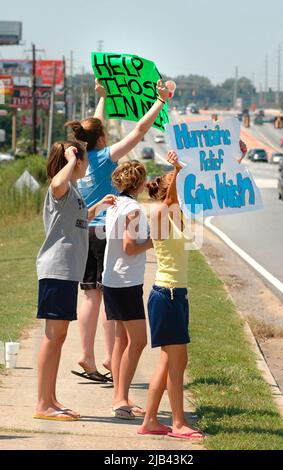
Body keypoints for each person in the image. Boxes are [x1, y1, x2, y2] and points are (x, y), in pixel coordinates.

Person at [139, 141, 247, 438]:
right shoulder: (160, 215)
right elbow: (174, 196)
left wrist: (236, 159)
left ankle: (150, 421)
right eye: (175, 184)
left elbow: (215, 189)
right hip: (167, 295)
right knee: (176, 364)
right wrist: (175, 168)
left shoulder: (178, 215)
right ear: (167, 191)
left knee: (172, 360)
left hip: (175, 295)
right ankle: (177, 423)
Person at [66, 78, 170, 383]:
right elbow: (138, 131)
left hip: (84, 229)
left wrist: (104, 96)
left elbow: (95, 126)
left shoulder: (82, 156)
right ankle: (112, 359)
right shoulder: (103, 156)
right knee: (108, 296)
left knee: (89, 296)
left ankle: (88, 354)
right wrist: (160, 102)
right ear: (102, 139)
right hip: (104, 233)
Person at [35, 141, 116, 421]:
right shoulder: (62, 187)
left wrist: (99, 206)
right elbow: (56, 182)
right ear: (75, 161)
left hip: (68, 272)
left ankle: (51, 398)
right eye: (82, 160)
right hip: (57, 269)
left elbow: (79, 219)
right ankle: (43, 404)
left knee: (59, 338)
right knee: (53, 337)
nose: (86, 165)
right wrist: (70, 159)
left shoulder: (75, 191)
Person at [102, 161, 152, 419]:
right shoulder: (132, 209)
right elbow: (130, 247)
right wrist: (153, 241)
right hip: (125, 282)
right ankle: (120, 399)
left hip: (112, 279)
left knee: (122, 339)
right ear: (140, 183)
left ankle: (120, 396)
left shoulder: (115, 205)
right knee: (139, 341)